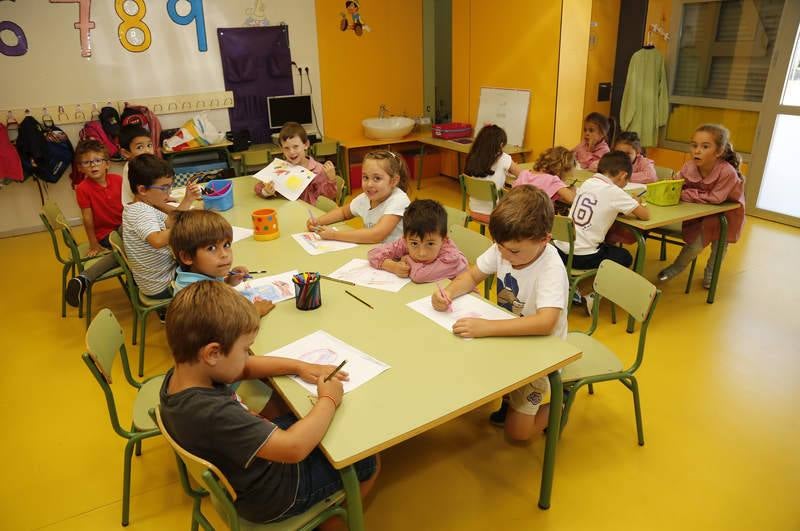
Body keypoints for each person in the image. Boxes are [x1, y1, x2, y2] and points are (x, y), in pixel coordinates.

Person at [159, 281, 379, 526]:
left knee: (300, 412)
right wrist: (329, 398)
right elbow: (294, 448)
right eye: (245, 349)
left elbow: (244, 368)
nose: (247, 356)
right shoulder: (214, 413)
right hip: (274, 495)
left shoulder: (183, 374)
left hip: (245, 473)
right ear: (212, 353)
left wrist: (299, 366)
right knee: (367, 460)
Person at [431, 186, 568, 442]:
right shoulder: (507, 246)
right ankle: (510, 399)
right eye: (499, 246)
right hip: (508, 336)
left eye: (513, 252)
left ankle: (559, 406)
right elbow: (472, 275)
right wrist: (448, 293)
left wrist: (486, 328)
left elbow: (546, 323)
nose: (504, 255)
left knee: (518, 435)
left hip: (541, 350)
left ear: (544, 239)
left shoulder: (551, 268)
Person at [657, 124, 745, 288]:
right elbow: (676, 185)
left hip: (728, 214)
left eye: (705, 146)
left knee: (719, 246)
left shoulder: (727, 172)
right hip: (703, 211)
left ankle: (711, 275)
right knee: (695, 244)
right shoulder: (689, 166)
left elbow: (717, 198)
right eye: (694, 145)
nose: (697, 150)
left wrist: (687, 194)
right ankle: (676, 268)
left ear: (718, 152)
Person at [122, 154, 201, 301]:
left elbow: (170, 223)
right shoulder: (140, 211)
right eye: (164, 188)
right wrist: (191, 226)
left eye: (170, 186)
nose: (169, 193)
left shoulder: (144, 205)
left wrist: (188, 199)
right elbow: (157, 240)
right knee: (208, 269)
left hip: (160, 277)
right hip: (162, 285)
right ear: (143, 190)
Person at [555, 150, 650, 270]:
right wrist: (638, 202)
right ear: (623, 175)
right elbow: (645, 215)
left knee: (606, 246)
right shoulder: (615, 192)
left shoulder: (587, 183)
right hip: (580, 258)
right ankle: (603, 282)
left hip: (559, 250)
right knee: (625, 256)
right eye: (626, 182)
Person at [169, 209, 275, 316]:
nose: (224, 254)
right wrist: (256, 311)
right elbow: (231, 325)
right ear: (187, 257)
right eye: (211, 248)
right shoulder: (202, 298)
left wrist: (228, 281)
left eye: (226, 245)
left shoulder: (193, 275)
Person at [65, 139, 123, 307]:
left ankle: (82, 279)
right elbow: (87, 218)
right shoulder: (83, 188)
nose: (93, 165)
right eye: (87, 162)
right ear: (80, 168)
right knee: (132, 250)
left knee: (130, 247)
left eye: (97, 160)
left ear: (107, 164)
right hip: (105, 235)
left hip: (123, 228)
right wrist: (93, 243)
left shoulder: (118, 180)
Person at [307, 150, 410, 243]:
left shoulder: (399, 200)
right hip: (374, 251)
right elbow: (343, 212)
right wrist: (318, 221)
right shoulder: (365, 198)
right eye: (365, 177)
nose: (369, 184)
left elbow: (376, 235)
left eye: (377, 178)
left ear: (394, 181)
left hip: (397, 259)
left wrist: (334, 235)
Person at [367, 199, 468, 283]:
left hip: (464, 300)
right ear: (405, 239)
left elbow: (419, 276)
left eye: (430, 244)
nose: (422, 253)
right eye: (415, 244)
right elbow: (373, 253)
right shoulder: (408, 241)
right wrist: (393, 266)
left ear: (444, 239)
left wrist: (406, 259)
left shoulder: (451, 256)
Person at [254, 122, 338, 205]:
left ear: (306, 145)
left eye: (296, 146)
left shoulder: (318, 170)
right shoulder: (280, 167)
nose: (291, 152)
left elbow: (328, 198)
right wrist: (266, 191)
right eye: (286, 148)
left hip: (309, 214)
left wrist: (332, 180)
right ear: (281, 149)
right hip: (286, 211)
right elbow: (258, 187)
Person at [462, 124, 522, 218]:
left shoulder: (472, 157)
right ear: (501, 145)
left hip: (473, 210)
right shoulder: (504, 158)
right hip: (495, 214)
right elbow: (522, 174)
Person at [512, 146, 576, 213]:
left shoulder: (524, 173)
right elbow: (571, 199)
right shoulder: (552, 180)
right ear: (563, 169)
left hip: (515, 214)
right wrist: (573, 189)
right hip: (535, 219)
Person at [119, 124, 155, 206]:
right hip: (138, 210)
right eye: (140, 147)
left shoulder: (145, 164)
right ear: (125, 153)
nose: (147, 151)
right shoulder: (134, 169)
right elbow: (148, 200)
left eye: (149, 145)